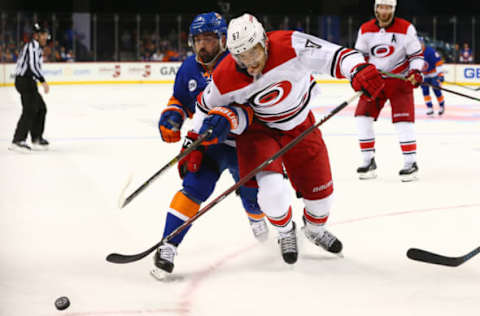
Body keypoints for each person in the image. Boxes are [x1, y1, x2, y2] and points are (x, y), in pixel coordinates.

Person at [190, 13, 384, 264]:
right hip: (258, 132)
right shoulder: (225, 74)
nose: (249, 64)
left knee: (322, 198)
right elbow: (204, 108)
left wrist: (358, 70)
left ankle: (314, 230)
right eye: (240, 57)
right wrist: (194, 141)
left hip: (301, 125)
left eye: (253, 53)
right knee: (272, 193)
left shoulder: (291, 44)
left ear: (264, 41)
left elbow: (336, 56)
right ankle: (285, 232)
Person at [153, 12, 268, 277]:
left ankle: (258, 219)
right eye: (198, 40)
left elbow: (254, 104)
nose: (203, 45)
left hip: (242, 141)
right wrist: (172, 117)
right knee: (193, 188)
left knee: (253, 196)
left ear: (224, 40)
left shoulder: (240, 62)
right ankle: (168, 244)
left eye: (209, 39)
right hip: (207, 143)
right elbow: (180, 100)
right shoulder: (188, 68)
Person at [353, 0, 424, 182]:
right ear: (376, 8)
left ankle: (411, 163)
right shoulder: (365, 29)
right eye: (381, 7)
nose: (383, 11)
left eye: (387, 8)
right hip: (374, 81)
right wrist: (360, 73)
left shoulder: (406, 28)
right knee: (362, 117)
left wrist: (415, 71)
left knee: (403, 122)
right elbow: (359, 55)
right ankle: (368, 161)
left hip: (399, 81)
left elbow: (416, 55)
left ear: (393, 9)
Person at [9, 22, 50, 152]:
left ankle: (36, 138)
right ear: (37, 36)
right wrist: (43, 81)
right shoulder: (32, 46)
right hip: (24, 81)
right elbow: (32, 66)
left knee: (41, 108)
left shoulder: (36, 47)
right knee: (30, 110)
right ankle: (18, 140)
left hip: (28, 81)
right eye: (44, 35)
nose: (46, 37)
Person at [418, 37, 445, 116]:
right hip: (424, 76)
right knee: (425, 92)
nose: (419, 44)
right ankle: (429, 108)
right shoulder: (415, 52)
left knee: (437, 91)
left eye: (420, 43)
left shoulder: (430, 51)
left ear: (423, 43)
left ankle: (441, 106)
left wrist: (440, 75)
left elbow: (439, 62)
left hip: (433, 75)